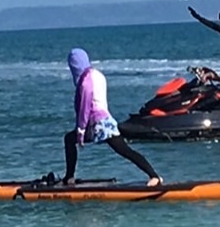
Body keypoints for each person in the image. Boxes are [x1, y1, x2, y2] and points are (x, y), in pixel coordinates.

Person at [63, 48, 162, 186]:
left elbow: (85, 108)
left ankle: (154, 176)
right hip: (105, 120)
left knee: (124, 150)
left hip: (98, 124)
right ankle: (69, 177)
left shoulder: (86, 82)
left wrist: (80, 130)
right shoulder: (97, 75)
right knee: (124, 149)